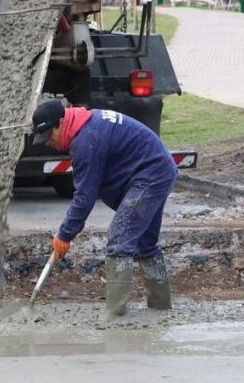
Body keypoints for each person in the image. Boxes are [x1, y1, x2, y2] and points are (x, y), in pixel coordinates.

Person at [31, 99, 178, 318]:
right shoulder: (85, 125)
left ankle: (115, 316)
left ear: (61, 122)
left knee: (119, 239)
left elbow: (85, 195)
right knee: (145, 243)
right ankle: (161, 310)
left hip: (150, 176)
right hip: (157, 170)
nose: (47, 143)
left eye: (48, 135)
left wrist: (64, 235)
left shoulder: (85, 141)